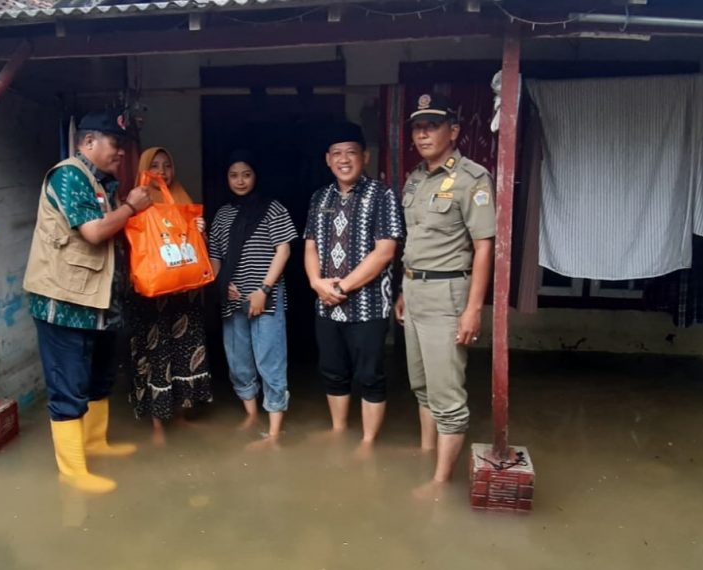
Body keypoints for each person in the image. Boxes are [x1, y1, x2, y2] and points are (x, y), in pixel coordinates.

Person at [22, 110, 153, 494]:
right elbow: (94, 232)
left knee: (99, 378)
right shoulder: (69, 176)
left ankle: (96, 443)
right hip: (64, 301)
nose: (122, 155)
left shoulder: (100, 183)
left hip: (97, 301)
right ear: (89, 142)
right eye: (116, 145)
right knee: (68, 384)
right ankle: (72, 470)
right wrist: (131, 207)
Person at [394, 94, 495, 498]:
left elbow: (484, 246)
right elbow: (415, 240)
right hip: (414, 290)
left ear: (453, 131)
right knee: (421, 386)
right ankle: (426, 452)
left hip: (448, 293)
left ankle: (438, 483)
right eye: (418, 127)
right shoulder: (416, 178)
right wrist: (404, 288)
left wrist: (473, 310)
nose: (422, 133)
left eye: (432, 125)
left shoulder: (473, 179)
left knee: (446, 394)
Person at [303, 122, 405, 452]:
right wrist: (316, 282)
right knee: (332, 370)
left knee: (370, 375)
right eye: (336, 154)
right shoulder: (320, 197)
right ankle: (338, 429)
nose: (343, 159)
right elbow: (310, 247)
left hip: (369, 306)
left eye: (351, 153)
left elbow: (385, 252)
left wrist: (340, 288)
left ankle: (367, 441)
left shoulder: (383, 195)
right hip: (325, 304)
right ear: (327, 159)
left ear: (365, 156)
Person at [208, 151, 298, 450]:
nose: (240, 180)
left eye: (246, 174)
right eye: (234, 175)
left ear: (255, 175)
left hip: (266, 298)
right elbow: (215, 256)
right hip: (233, 299)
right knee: (239, 361)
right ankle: (251, 415)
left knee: (270, 361)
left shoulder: (273, 209)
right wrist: (223, 285)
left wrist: (264, 289)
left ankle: (273, 431)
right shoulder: (222, 214)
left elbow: (283, 251)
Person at [125, 147, 213, 446]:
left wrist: (199, 230)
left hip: (184, 293)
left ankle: (181, 416)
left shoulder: (181, 197)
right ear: (144, 168)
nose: (162, 172)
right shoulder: (134, 201)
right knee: (156, 354)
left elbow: (192, 250)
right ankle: (157, 426)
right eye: (155, 166)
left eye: (167, 166)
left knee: (184, 353)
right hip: (153, 295)